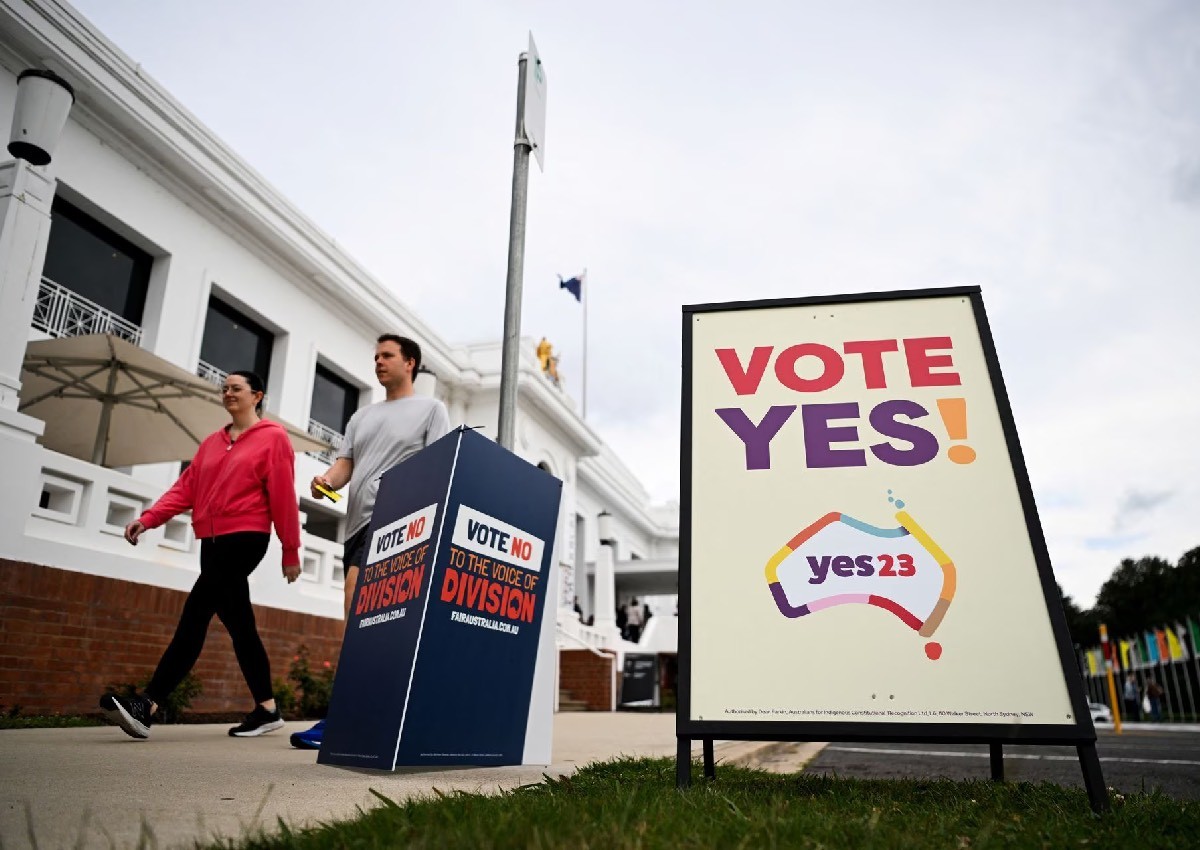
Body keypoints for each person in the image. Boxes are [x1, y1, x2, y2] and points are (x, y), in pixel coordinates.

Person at [98, 371, 302, 740]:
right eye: (224, 388)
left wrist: (291, 548)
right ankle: (267, 709)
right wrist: (148, 519)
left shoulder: (273, 439)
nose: (228, 393)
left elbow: (284, 495)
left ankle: (148, 704)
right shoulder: (211, 443)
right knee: (241, 627)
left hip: (246, 537)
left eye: (236, 388)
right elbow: (185, 489)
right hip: (211, 542)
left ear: (257, 395)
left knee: (195, 615)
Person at [292, 335, 450, 750]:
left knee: (356, 605)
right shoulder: (362, 417)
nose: (378, 362)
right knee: (369, 621)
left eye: (387, 356)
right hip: (356, 525)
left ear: (410, 363)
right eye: (375, 356)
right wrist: (328, 480)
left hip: (398, 521)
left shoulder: (431, 410)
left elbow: (439, 467)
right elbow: (347, 464)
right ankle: (384, 712)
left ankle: (344, 716)